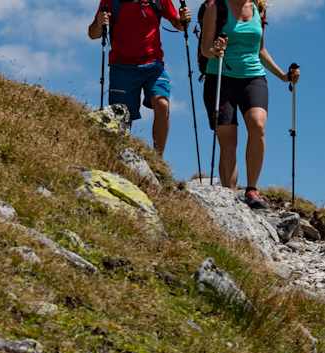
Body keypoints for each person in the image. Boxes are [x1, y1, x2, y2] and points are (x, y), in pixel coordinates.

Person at [201, 0, 301, 209]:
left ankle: (252, 189)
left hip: (253, 76)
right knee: (229, 142)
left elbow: (260, 49)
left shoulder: (258, 9)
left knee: (258, 125)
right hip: (220, 75)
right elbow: (205, 49)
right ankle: (229, 195)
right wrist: (216, 49)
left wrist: (283, 76)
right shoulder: (216, 7)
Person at [87, 0, 191, 155]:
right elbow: (93, 34)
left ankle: (157, 159)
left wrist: (184, 19)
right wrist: (98, 22)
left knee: (162, 104)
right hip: (121, 67)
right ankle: (120, 158)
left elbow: (180, 25)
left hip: (153, 64)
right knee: (121, 119)